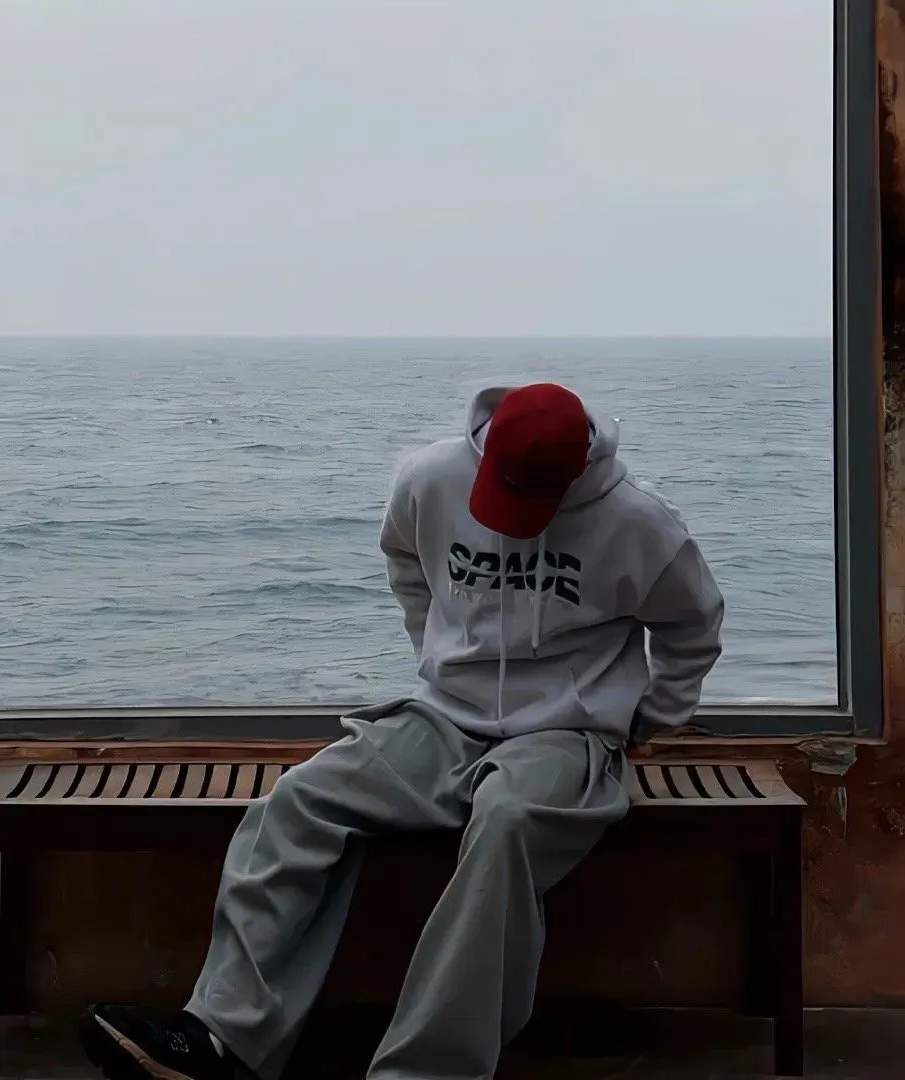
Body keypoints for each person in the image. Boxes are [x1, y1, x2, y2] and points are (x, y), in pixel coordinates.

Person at [80, 382, 725, 1080]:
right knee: (297, 802)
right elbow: (406, 563)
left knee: (505, 827)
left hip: (569, 731)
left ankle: (424, 1073)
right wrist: (435, 652)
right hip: (445, 715)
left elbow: (693, 628)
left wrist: (646, 719)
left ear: (575, 476)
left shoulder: (640, 523)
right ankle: (219, 1041)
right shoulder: (431, 478)